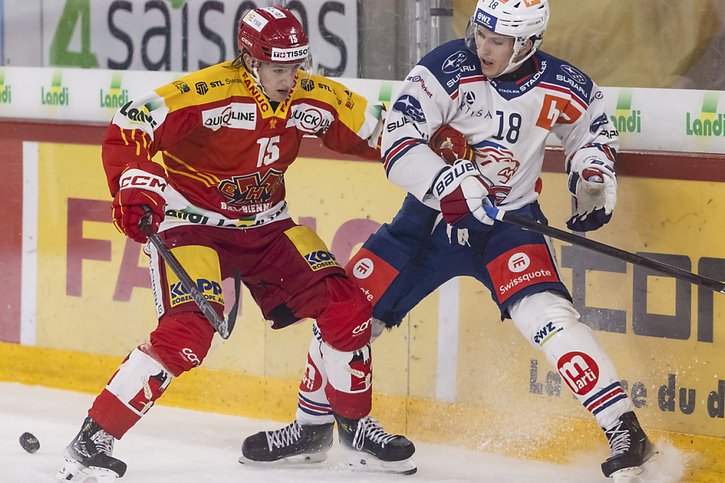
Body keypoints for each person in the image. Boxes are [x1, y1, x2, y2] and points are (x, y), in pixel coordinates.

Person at [241, 0, 656, 480]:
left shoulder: (563, 83)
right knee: (346, 310)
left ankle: (625, 429)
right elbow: (397, 143)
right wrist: (448, 182)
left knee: (549, 318)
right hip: (425, 225)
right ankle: (312, 427)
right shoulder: (445, 67)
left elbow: (594, 130)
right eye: (480, 33)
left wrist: (593, 169)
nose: (481, 47)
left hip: (508, 226)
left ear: (527, 44)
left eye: (497, 41)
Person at [56, 6, 415, 481]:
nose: (291, 80)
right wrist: (135, 184)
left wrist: (446, 150)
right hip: (191, 225)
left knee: (346, 307)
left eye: (296, 67)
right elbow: (133, 120)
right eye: (279, 69)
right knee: (187, 334)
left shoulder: (309, 93)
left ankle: (352, 427)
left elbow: (384, 130)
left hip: (267, 227)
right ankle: (91, 441)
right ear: (250, 60)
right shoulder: (208, 92)